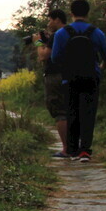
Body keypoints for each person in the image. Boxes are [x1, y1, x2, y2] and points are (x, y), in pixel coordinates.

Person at [51, 0, 106, 163]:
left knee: (72, 113)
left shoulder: (62, 33)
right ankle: (85, 150)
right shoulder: (97, 32)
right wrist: (100, 67)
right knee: (88, 114)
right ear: (88, 13)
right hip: (91, 78)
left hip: (69, 79)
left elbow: (55, 57)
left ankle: (72, 150)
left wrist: (68, 66)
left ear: (71, 13)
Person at [35, 9, 69, 158]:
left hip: (55, 76)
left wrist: (38, 42)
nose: (49, 23)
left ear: (57, 20)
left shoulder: (57, 35)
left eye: (50, 20)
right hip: (71, 75)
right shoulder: (71, 32)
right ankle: (76, 146)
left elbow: (43, 56)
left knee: (60, 112)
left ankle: (66, 149)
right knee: (70, 110)